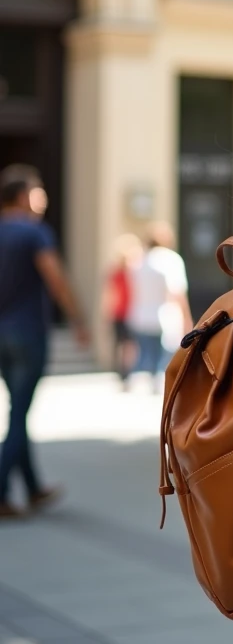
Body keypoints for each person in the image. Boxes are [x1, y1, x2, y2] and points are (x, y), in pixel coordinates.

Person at [0, 164, 88, 518]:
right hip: (28, 333)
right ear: (24, 196)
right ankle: (3, 490)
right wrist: (78, 319)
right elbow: (56, 278)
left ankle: (34, 488)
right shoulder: (34, 232)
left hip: (2, 336)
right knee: (18, 413)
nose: (44, 199)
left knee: (17, 410)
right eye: (39, 192)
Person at [126, 221, 191, 392]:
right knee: (163, 363)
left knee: (143, 358)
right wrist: (186, 318)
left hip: (140, 315)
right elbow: (177, 292)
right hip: (164, 316)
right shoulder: (170, 260)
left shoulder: (139, 262)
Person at [102, 233, 142, 389]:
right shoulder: (125, 273)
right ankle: (125, 372)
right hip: (124, 313)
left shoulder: (130, 272)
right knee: (126, 345)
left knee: (125, 345)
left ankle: (125, 372)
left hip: (125, 313)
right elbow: (111, 295)